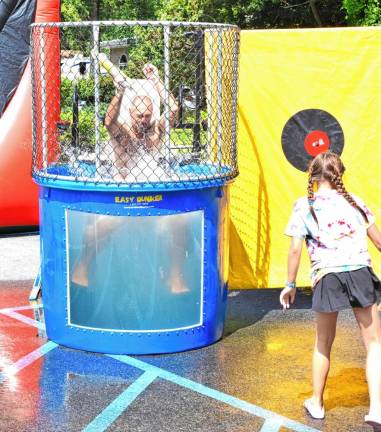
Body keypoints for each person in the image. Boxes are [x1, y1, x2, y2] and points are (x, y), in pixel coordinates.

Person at [279, 151, 381, 430]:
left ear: (312, 176)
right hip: (359, 271)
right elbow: (380, 242)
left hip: (327, 275)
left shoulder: (304, 206)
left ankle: (317, 403)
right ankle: (377, 409)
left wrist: (290, 285)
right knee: (374, 343)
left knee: (323, 341)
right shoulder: (356, 202)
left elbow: (296, 249)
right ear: (340, 176)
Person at [71, 56, 188, 295]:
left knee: (180, 221)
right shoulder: (122, 132)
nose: (144, 120)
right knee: (105, 224)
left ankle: (174, 276)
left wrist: (156, 81)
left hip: (152, 192)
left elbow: (174, 108)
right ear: (131, 114)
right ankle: (82, 266)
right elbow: (108, 120)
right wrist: (120, 92)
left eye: (147, 115)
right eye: (139, 116)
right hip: (122, 192)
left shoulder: (157, 129)